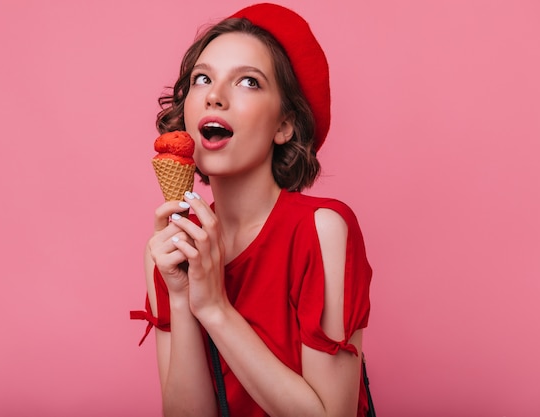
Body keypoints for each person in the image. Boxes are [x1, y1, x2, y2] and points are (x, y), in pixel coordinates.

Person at [131, 3, 372, 416]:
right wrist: (183, 297)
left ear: (285, 125)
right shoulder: (169, 250)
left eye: (248, 82)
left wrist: (214, 308)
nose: (215, 96)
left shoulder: (321, 230)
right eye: (202, 78)